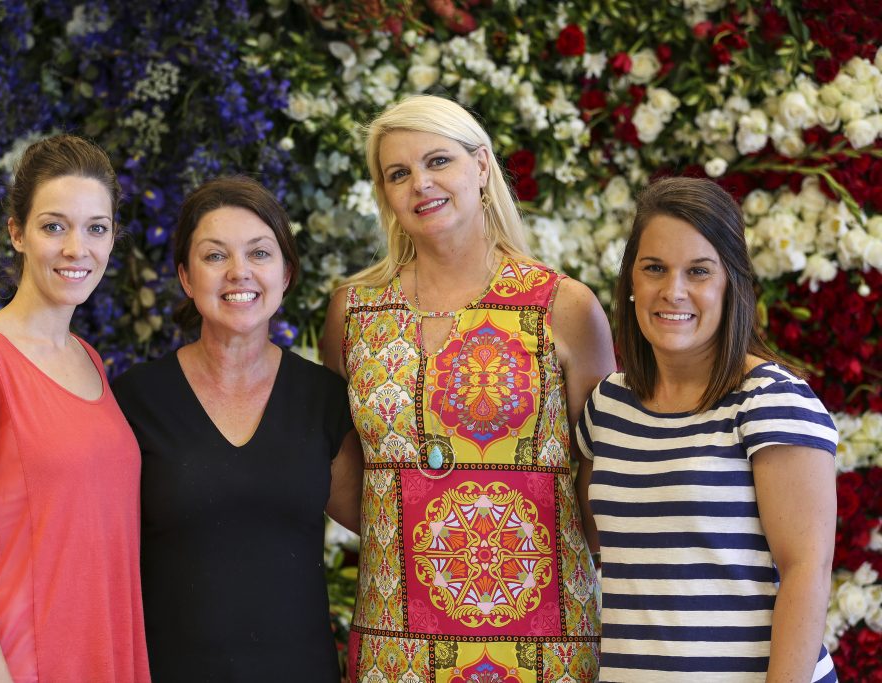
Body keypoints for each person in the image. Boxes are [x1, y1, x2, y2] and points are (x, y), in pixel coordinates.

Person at [321, 94, 614, 682]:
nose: (420, 184)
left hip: (545, 637)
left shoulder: (564, 306)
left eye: (437, 162)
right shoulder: (353, 312)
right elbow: (334, 462)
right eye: (398, 174)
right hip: (396, 637)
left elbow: (602, 470)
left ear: (481, 166)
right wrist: (413, 530)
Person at [577, 176, 837, 682]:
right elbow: (584, 543)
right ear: (632, 281)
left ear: (730, 283)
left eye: (699, 271)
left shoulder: (770, 400)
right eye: (654, 268)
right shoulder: (608, 405)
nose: (673, 291)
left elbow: (808, 569)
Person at [112, 175, 363, 682]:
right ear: (185, 276)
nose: (239, 273)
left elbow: (389, 527)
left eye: (259, 253)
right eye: (214, 256)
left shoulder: (324, 399)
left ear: (286, 273)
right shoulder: (136, 401)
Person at [0, 135, 149, 682]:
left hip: (99, 654)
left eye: (96, 227)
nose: (78, 248)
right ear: (17, 233)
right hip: (15, 666)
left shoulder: (89, 361)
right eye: (54, 226)